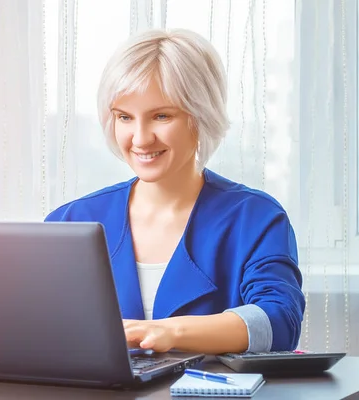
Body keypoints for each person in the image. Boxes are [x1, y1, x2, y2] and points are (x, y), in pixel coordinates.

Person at [45, 28, 305, 355]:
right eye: (124, 117)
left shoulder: (256, 217)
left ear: (200, 115)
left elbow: (280, 322)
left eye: (161, 116)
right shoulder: (70, 221)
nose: (140, 138)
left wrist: (168, 331)